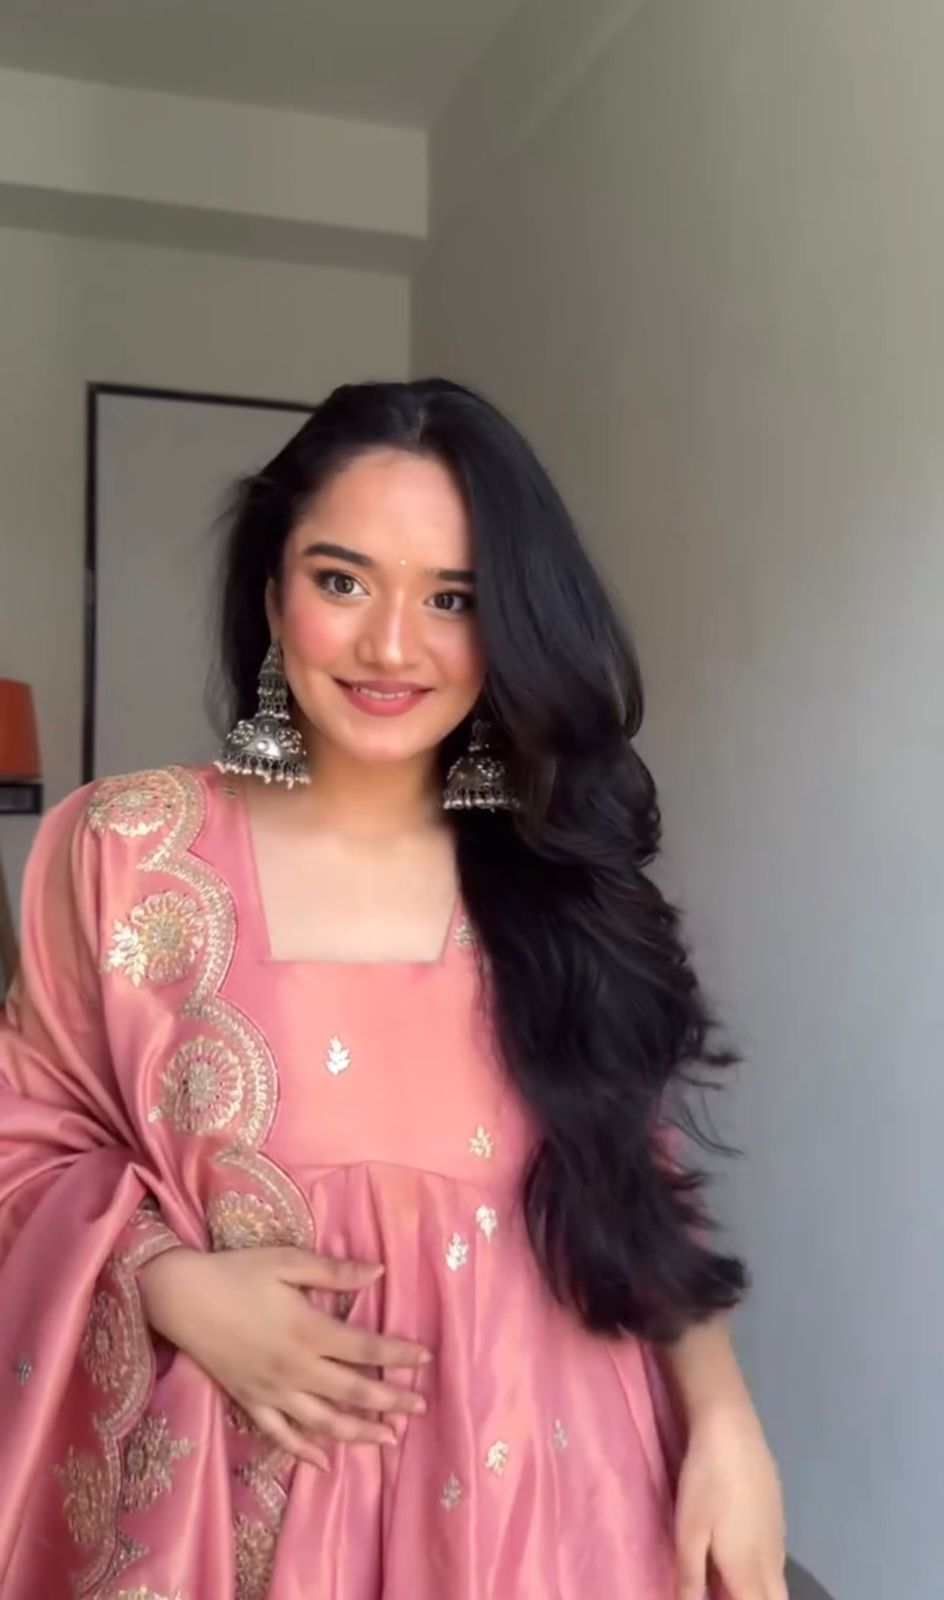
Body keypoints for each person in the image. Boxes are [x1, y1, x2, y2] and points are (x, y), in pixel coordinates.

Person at [0, 379, 786, 1599]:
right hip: (230, 1505)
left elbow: (633, 1173)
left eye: (452, 598)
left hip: (547, 1485)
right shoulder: (125, 850)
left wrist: (726, 1421)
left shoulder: (553, 876)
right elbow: (25, 1136)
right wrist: (169, 1283)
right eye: (342, 580)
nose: (390, 647)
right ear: (274, 594)